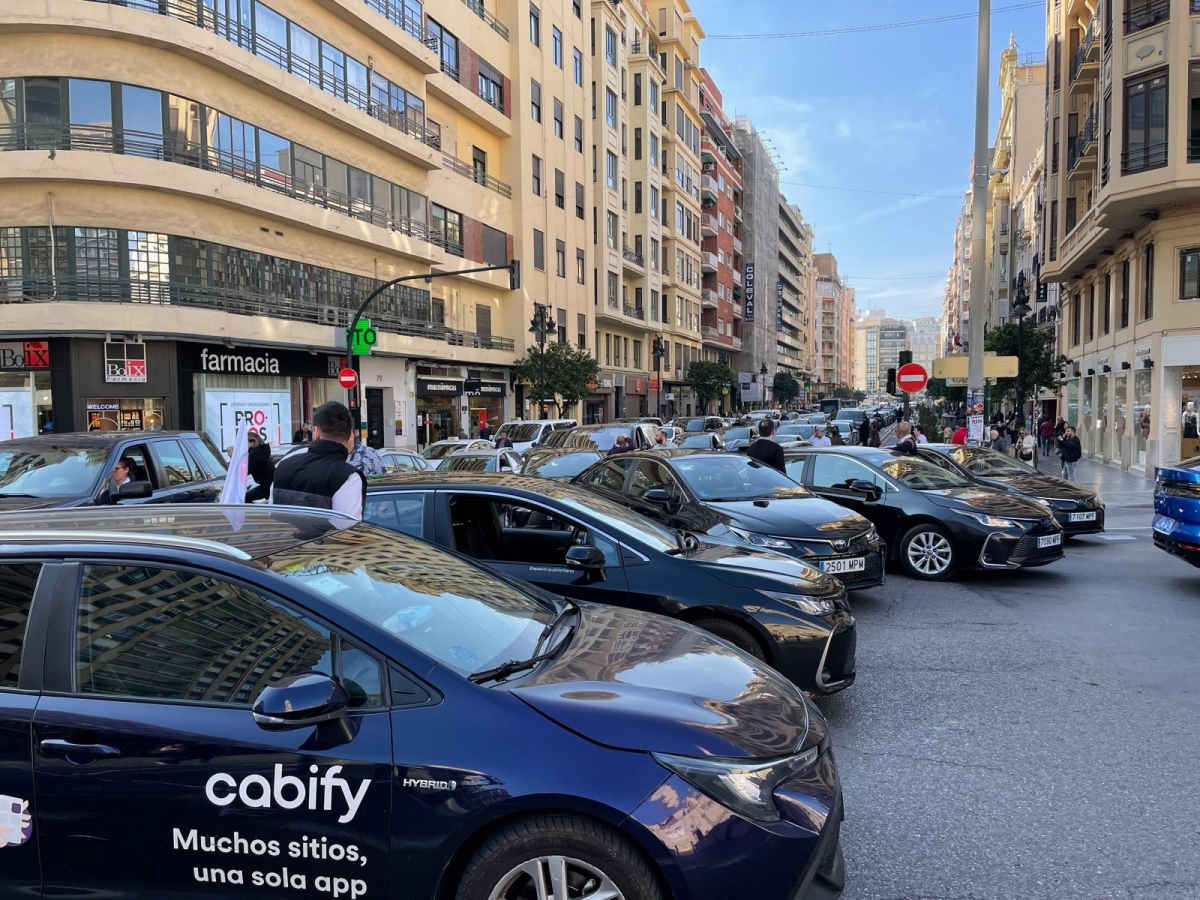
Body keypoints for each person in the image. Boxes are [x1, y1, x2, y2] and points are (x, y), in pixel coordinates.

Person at [270, 400, 366, 519]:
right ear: (350, 436)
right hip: (323, 538)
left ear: (317, 432)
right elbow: (347, 527)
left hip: (283, 537)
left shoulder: (283, 466)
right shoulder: (348, 477)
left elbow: (272, 515)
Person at [245, 431, 275, 502]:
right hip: (271, 485)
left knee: (246, 498)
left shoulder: (255, 455)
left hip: (266, 486)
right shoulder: (261, 451)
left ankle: (250, 513)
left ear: (252, 443)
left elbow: (246, 471)